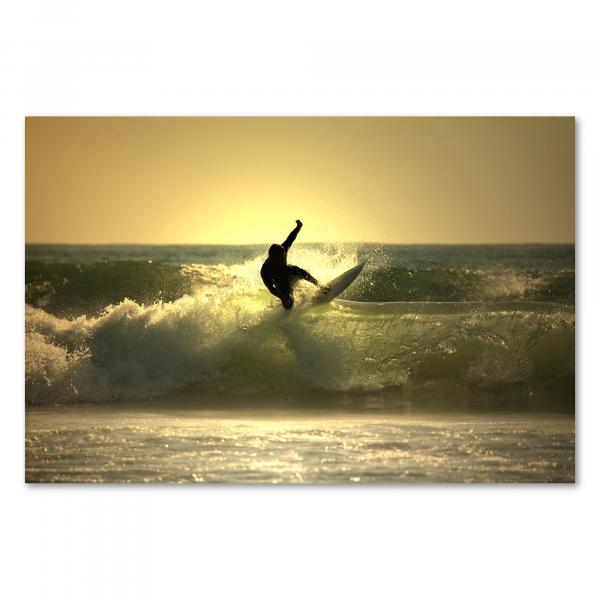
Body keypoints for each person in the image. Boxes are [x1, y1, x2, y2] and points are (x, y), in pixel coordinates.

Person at [260, 219, 327, 309]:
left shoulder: (282, 250)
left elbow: (291, 238)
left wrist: (298, 227)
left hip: (288, 271)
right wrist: (281, 297)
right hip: (280, 281)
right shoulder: (265, 270)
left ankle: (319, 285)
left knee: (296, 269)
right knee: (289, 303)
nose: (283, 259)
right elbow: (271, 288)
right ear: (272, 257)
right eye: (281, 258)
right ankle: (285, 304)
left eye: (284, 256)